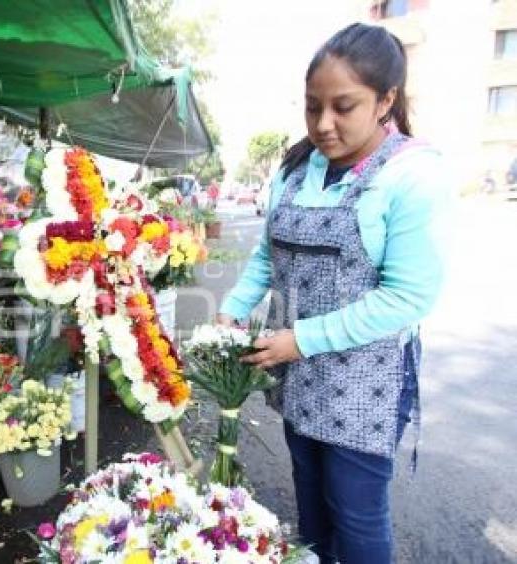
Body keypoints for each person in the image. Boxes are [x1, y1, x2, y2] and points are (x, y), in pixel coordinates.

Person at [217, 23, 450, 564]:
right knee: (311, 508)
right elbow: (266, 258)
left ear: (385, 100)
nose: (324, 124)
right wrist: (229, 313)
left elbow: (407, 297)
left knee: (357, 516)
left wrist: (300, 339)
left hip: (362, 385)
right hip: (297, 370)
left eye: (344, 107)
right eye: (312, 107)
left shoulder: (411, 174)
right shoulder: (298, 170)